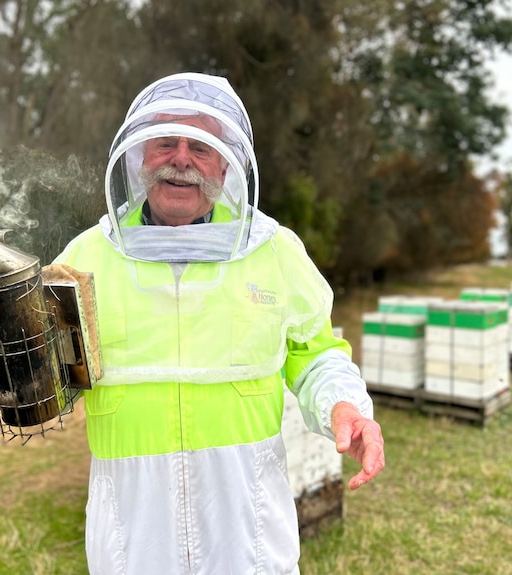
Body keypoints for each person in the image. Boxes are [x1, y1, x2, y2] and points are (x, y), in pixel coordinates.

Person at [54, 72, 385, 575]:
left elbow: (314, 353)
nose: (181, 159)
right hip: (134, 538)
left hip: (246, 533)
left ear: (227, 163)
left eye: (201, 146)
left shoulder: (273, 250)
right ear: (139, 155)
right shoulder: (84, 258)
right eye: (165, 141)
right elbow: (50, 373)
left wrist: (344, 405)